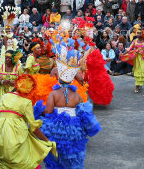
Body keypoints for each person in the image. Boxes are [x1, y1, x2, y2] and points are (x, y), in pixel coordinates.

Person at [33, 40, 101, 169]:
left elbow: (48, 112)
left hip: (56, 129)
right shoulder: (77, 96)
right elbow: (85, 114)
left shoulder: (54, 94)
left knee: (56, 155)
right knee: (72, 155)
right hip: (73, 129)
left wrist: (39, 110)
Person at [0, 74, 57, 169]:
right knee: (23, 159)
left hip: (0, 133)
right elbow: (33, 128)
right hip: (16, 135)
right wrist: (47, 141)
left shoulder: (5, 96)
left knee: (3, 158)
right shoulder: (26, 102)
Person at [121, 28, 144, 93]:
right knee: (137, 71)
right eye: (137, 33)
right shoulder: (135, 40)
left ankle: (139, 83)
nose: (138, 34)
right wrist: (123, 54)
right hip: (136, 58)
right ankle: (137, 85)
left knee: (143, 70)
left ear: (143, 33)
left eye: (139, 33)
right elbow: (130, 49)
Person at [0, 50, 23, 114]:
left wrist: (14, 84)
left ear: (13, 59)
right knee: (2, 113)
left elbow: (22, 82)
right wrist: (2, 82)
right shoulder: (1, 67)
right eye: (6, 58)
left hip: (14, 94)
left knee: (12, 113)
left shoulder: (18, 68)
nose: (7, 60)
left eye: (9, 58)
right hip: (1, 94)